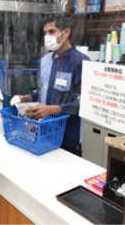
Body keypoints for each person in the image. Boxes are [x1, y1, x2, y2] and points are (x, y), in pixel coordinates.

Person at [18, 12, 90, 156]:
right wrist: (27, 98)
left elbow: (84, 103)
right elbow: (43, 91)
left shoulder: (81, 62)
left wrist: (53, 109)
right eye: (45, 33)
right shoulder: (45, 61)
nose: (47, 37)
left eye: (52, 31)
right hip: (45, 132)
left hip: (68, 138)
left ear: (66, 32)